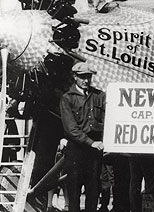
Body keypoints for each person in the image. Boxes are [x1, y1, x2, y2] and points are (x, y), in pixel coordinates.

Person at [60, 62, 106, 212]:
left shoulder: (99, 96)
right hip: (76, 151)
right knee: (74, 192)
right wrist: (91, 143)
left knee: (93, 191)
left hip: (95, 151)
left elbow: (108, 120)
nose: (86, 80)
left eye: (88, 77)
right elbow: (71, 129)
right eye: (82, 77)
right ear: (75, 77)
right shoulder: (67, 98)